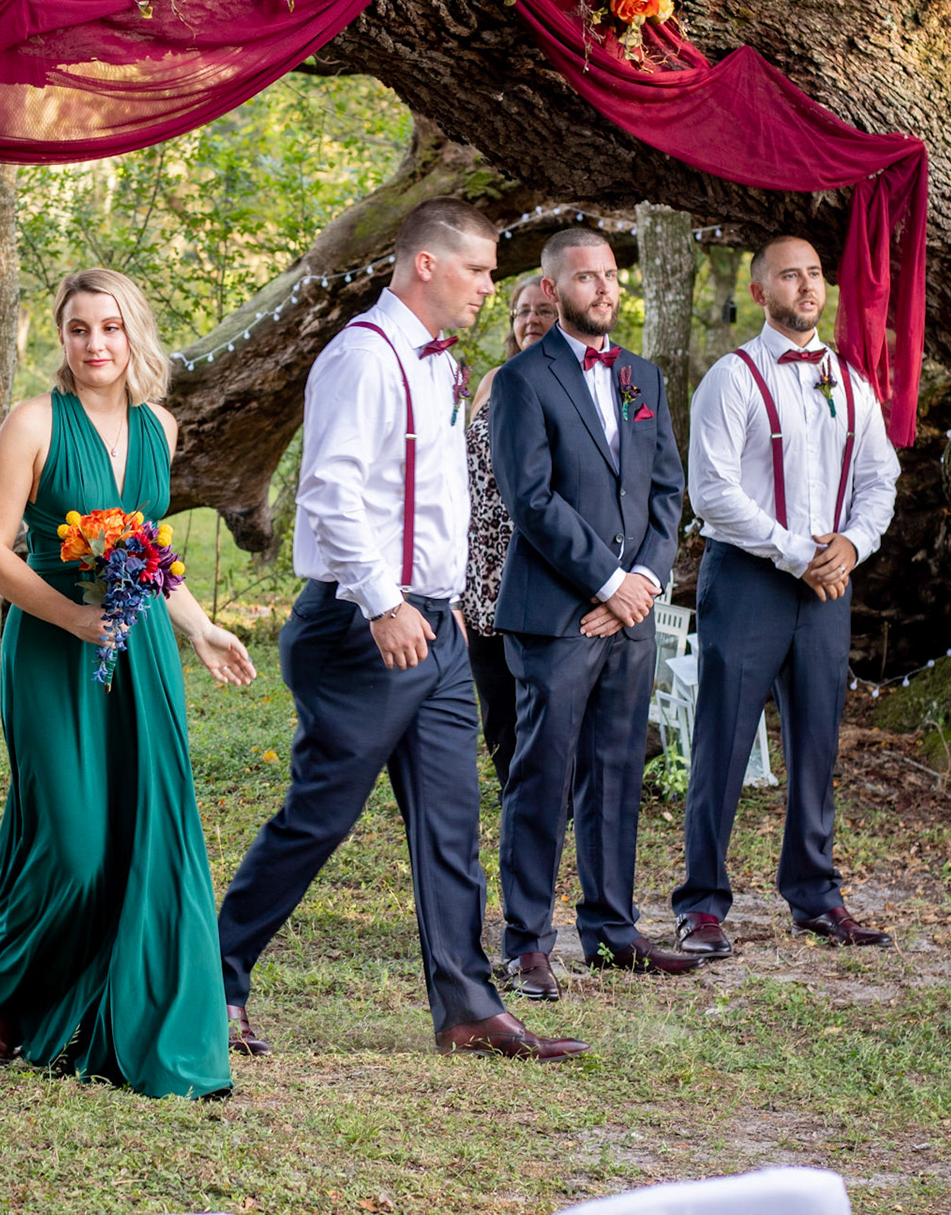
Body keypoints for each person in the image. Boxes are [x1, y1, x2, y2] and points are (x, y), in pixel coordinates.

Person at [216, 198, 588, 1062]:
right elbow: (330, 492)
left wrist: (440, 593)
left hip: (433, 624)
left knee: (452, 821)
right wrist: (386, 602)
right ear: (427, 264)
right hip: (361, 624)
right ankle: (211, 978)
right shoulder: (362, 356)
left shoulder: (441, 364)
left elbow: (432, 494)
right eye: (479, 270)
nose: (490, 287)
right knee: (319, 817)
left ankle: (466, 1008)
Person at [0, 268, 255, 1099]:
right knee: (72, 845)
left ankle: (120, 1017)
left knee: (144, 834)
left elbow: (149, 552)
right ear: (62, 337)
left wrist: (199, 627)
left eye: (109, 327)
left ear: (133, 332)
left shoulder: (159, 427)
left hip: (139, 653)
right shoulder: (34, 423)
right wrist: (73, 618)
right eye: (78, 329)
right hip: (51, 648)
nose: (94, 344)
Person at [489, 228, 701, 1004]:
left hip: (631, 614)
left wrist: (640, 581)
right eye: (587, 277)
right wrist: (606, 583)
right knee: (542, 776)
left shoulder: (643, 377)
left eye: (611, 275)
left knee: (616, 771)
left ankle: (612, 930)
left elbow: (666, 490)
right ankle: (526, 944)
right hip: (555, 616)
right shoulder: (522, 380)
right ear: (553, 289)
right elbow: (531, 500)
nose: (605, 288)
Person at [672, 236, 900, 958]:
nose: (806, 286)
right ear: (760, 289)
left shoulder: (851, 382)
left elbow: (880, 479)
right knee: (724, 740)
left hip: (829, 581)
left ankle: (815, 895)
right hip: (748, 578)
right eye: (789, 275)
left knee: (816, 740)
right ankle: (701, 905)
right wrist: (799, 554)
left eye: (814, 275)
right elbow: (712, 492)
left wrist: (852, 546)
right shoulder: (732, 378)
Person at [462, 275, 560, 796]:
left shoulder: (571, 384)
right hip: (482, 566)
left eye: (543, 310)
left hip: (539, 562)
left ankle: (554, 796)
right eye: (522, 311)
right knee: (496, 697)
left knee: (541, 694)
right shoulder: (493, 381)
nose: (531, 320)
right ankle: (512, 792)